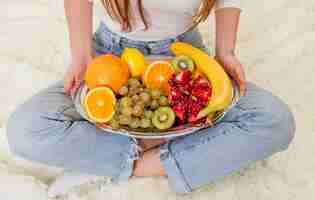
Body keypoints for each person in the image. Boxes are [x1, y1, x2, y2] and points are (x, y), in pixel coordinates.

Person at [6, 0, 295, 196]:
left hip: (183, 56)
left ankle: (119, 164)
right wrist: (81, 54)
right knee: (25, 130)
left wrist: (225, 51)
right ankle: (168, 149)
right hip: (111, 56)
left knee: (274, 121)